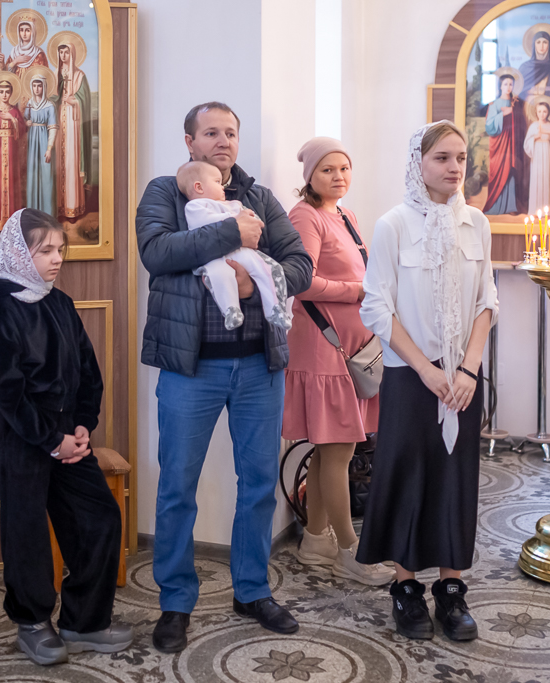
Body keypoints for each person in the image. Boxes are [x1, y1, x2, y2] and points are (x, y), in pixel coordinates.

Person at [136, 101, 312, 653]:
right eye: (211, 132)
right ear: (189, 141)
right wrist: (232, 232)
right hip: (191, 368)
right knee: (177, 486)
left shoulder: (261, 198)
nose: (223, 141)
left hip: (259, 365)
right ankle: (175, 601)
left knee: (258, 484)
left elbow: (300, 264)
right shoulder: (166, 192)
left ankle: (252, 590)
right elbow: (157, 252)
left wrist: (256, 284)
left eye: (230, 133)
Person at [0, 208, 133, 666]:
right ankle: (32, 622)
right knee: (26, 532)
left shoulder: (59, 301)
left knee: (99, 518)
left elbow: (87, 370)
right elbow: (9, 393)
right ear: (20, 254)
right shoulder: (1, 308)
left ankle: (85, 621)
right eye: (45, 251)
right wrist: (51, 440)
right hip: (23, 438)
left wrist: (82, 425)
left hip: (68, 437)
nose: (56, 259)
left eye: (60, 249)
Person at [356, 121, 497, 643]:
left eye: (460, 157)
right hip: (412, 375)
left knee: (455, 477)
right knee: (407, 475)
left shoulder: (476, 223)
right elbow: (377, 307)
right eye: (442, 158)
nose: (455, 167)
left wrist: (469, 368)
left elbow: (487, 300)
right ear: (419, 163)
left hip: (462, 377)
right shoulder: (393, 224)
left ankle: (452, 592)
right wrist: (425, 368)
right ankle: (407, 588)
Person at [282, 137, 392, 586]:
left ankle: (314, 540)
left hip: (351, 348)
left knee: (332, 449)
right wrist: (357, 292)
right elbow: (301, 282)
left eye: (344, 168)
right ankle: (350, 551)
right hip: (322, 346)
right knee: (339, 450)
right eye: (328, 170)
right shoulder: (304, 216)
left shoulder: (345, 215)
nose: (339, 176)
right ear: (310, 176)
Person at [177, 160, 290, 331]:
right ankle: (231, 310)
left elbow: (252, 220)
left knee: (268, 269)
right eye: (217, 182)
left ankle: (275, 308)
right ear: (199, 187)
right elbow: (204, 223)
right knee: (220, 277)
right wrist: (236, 224)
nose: (222, 186)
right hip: (214, 257)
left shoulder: (233, 203)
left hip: (241, 251)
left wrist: (252, 220)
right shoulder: (195, 206)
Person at [0, 76, 26, 233]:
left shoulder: (14, 111)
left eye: (7, 92)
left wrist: (12, 119)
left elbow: (22, 129)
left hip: (11, 152)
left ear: (11, 93)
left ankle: (11, 224)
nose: (4, 95)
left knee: (12, 182)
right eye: (1, 92)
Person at [55, 41, 91, 221]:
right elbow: (53, 95)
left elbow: (85, 100)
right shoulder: (56, 74)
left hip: (73, 122)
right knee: (59, 161)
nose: (63, 55)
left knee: (71, 160)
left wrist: (75, 100)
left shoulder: (79, 75)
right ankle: (58, 207)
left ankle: (72, 206)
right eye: (61, 52)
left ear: (73, 54)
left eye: (66, 52)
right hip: (58, 120)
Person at [483, 74, 527, 215]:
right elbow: (489, 126)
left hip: (513, 142)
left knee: (511, 170)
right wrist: (503, 114)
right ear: (500, 86)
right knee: (499, 171)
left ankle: (511, 206)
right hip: (500, 143)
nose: (508, 87)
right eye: (505, 84)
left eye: (511, 84)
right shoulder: (494, 104)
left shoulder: (517, 103)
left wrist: (513, 112)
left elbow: (521, 123)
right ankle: (495, 205)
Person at [517, 30, 550, 135]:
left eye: (545, 42)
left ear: (549, 45)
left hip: (549, 111)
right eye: (538, 42)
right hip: (527, 111)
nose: (541, 46)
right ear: (534, 45)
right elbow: (517, 93)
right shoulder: (525, 68)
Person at [24, 73, 58, 216]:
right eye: (34, 85)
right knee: (33, 175)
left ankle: (47, 214)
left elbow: (53, 127)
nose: (37, 89)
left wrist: (49, 148)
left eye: (39, 86)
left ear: (44, 87)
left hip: (44, 142)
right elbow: (24, 121)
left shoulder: (50, 106)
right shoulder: (29, 104)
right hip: (32, 144)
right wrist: (26, 123)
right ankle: (33, 214)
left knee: (46, 176)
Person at [524, 100, 550, 217]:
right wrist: (536, 137)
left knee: (547, 179)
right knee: (537, 179)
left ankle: (547, 211)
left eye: (544, 111)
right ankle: (535, 210)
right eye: (539, 111)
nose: (542, 114)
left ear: (548, 112)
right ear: (536, 112)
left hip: (547, 152)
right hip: (536, 154)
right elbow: (526, 144)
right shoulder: (533, 126)